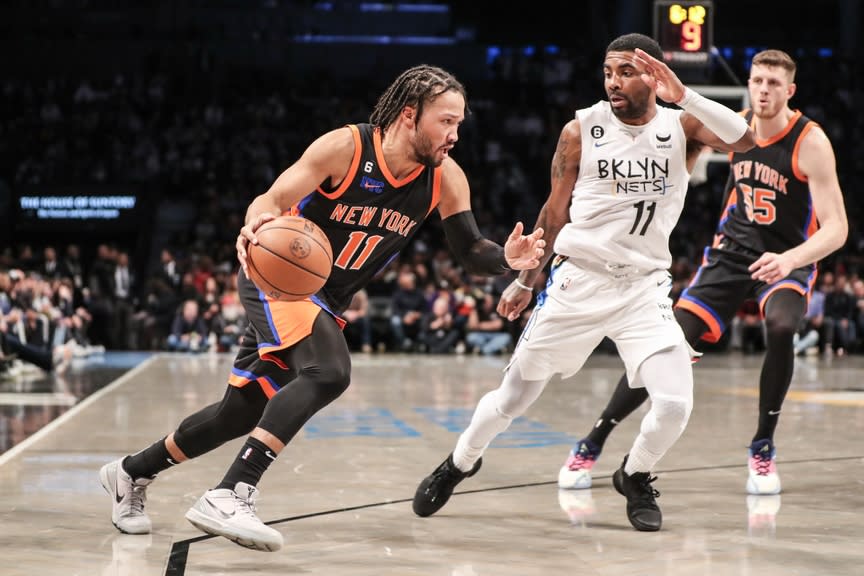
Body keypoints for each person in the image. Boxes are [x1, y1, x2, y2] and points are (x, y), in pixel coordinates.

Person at [98, 64, 545, 552]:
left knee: (238, 414)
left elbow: (469, 248)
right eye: (446, 121)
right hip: (276, 276)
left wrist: (505, 258)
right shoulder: (347, 148)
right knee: (329, 371)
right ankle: (230, 492)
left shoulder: (445, 178)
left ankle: (128, 473)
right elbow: (272, 198)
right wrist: (255, 223)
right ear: (409, 114)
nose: (455, 134)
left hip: (326, 299)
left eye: (460, 123)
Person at [412, 33, 755, 532]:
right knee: (511, 399)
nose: (613, 82)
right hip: (579, 281)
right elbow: (554, 213)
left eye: (625, 72)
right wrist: (526, 282)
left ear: (654, 75)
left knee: (676, 402)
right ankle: (461, 461)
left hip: (644, 288)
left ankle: (634, 474)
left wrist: (685, 95)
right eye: (608, 72)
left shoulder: (684, 124)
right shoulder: (582, 129)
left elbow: (746, 140)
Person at [557, 49, 847, 497]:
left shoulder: (811, 140)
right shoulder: (734, 126)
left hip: (785, 257)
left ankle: (762, 446)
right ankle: (593, 441)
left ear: (789, 91)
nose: (764, 90)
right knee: (663, 343)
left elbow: (838, 228)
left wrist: (791, 260)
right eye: (757, 81)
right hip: (731, 256)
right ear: (748, 84)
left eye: (774, 83)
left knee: (783, 326)